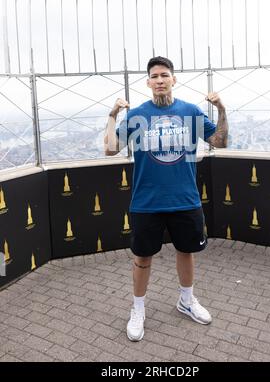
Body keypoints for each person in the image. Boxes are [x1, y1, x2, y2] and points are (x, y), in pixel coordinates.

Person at [104, 56, 228, 342]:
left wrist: (221, 109)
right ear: (148, 83)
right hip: (146, 201)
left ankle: (186, 300)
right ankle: (138, 309)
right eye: (154, 76)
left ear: (174, 79)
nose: (159, 80)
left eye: (164, 75)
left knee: (186, 251)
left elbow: (219, 141)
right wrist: (112, 116)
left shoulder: (191, 112)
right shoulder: (136, 114)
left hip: (185, 199)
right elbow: (111, 149)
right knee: (142, 257)